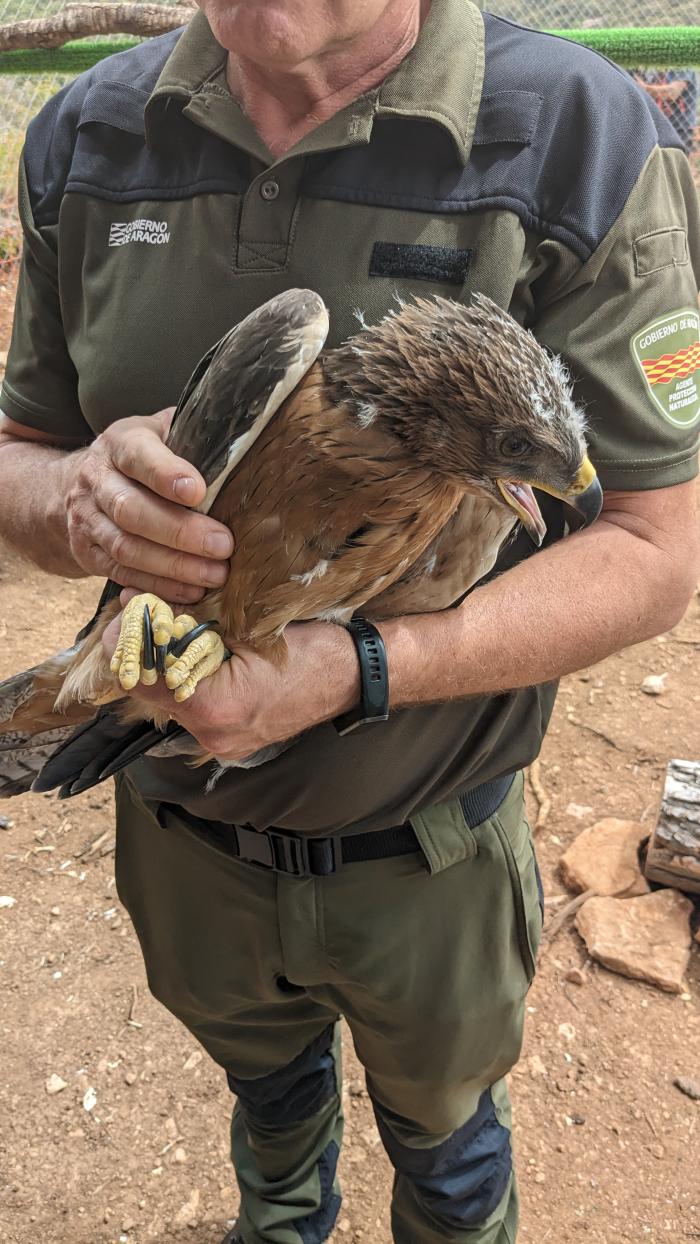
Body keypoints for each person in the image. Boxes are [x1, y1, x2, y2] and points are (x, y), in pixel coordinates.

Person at [1, 1, 698, 1240]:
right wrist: (68, 501)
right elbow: (18, 463)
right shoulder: (82, 138)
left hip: (426, 854)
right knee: (266, 1094)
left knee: (445, 1132)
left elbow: (651, 547)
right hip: (180, 835)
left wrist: (357, 666)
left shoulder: (583, 138)